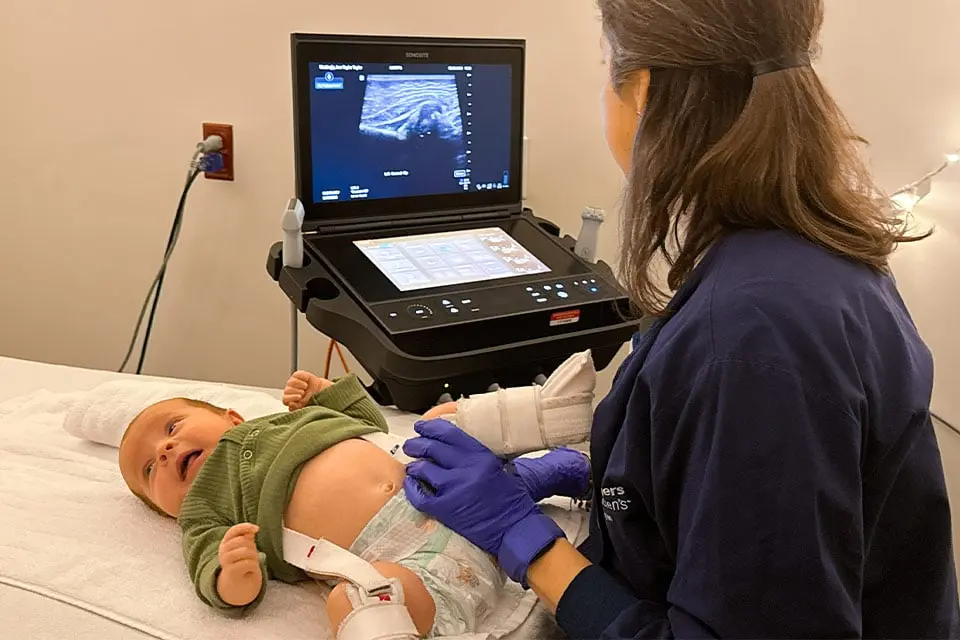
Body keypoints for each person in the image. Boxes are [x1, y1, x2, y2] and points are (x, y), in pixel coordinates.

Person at [401, 0, 960, 637]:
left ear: (641, 91)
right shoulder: (811, 260)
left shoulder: (753, 336)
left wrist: (523, 539)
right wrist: (608, 484)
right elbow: (749, 490)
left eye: (607, 67)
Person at [117, 364, 593, 638]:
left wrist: (328, 393)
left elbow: (371, 425)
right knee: (357, 599)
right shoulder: (202, 510)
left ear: (231, 417)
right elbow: (211, 570)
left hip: (445, 477)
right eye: (149, 470)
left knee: (440, 418)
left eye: (173, 427)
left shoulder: (283, 422)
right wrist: (231, 574)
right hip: (419, 560)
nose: (165, 450)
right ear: (165, 511)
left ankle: (553, 417)